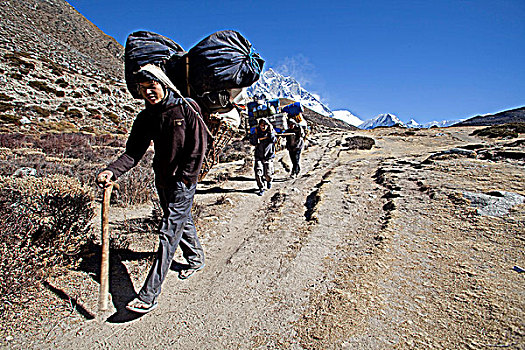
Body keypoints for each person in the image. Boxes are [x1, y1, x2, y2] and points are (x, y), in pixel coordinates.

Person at [96, 67, 208, 314]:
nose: (148, 92)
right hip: (163, 179)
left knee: (168, 231)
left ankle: (148, 295)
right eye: (143, 88)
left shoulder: (187, 108)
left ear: (163, 84)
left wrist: (187, 179)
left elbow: (198, 147)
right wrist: (112, 171)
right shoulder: (145, 118)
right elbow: (133, 152)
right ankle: (196, 258)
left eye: (152, 86)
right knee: (180, 220)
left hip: (183, 182)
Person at [249, 118, 277, 196]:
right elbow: (253, 142)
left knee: (268, 174)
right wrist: (255, 136)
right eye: (261, 125)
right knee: (258, 173)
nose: (263, 126)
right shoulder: (257, 132)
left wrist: (271, 132)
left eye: (265, 125)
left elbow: (273, 140)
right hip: (258, 155)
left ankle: (269, 180)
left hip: (268, 156)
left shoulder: (271, 132)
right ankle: (261, 188)